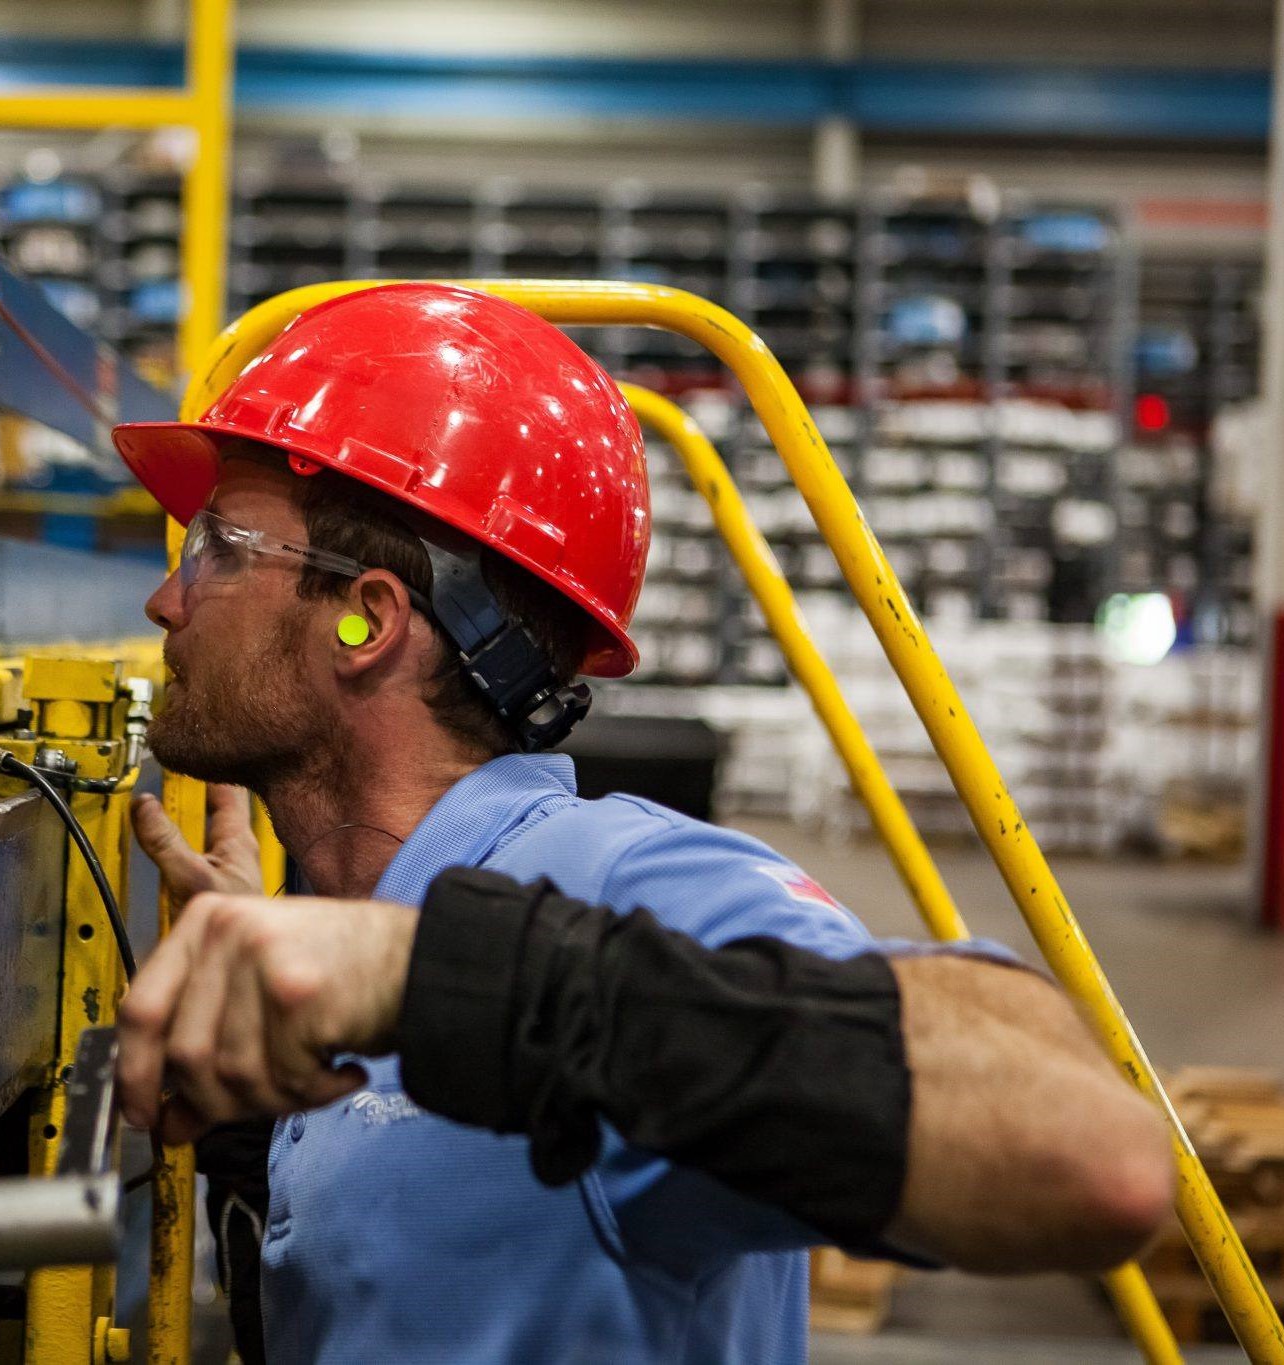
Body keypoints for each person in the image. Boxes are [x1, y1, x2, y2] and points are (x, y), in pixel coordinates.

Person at [107, 283, 1172, 1364]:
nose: (167, 601)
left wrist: (436, 972)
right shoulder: (333, 927)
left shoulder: (617, 880)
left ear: (366, 619)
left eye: (220, 550)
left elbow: (1092, 1152)